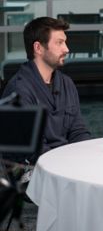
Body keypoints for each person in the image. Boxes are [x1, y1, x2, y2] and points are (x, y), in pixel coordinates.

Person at [1, 16, 91, 164]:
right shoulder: (18, 90)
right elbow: (34, 151)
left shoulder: (66, 84)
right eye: (59, 43)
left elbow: (78, 130)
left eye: (65, 42)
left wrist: (86, 156)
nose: (67, 49)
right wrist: (69, 164)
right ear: (38, 48)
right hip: (32, 172)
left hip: (66, 164)